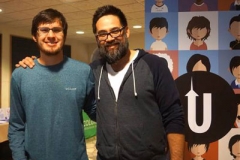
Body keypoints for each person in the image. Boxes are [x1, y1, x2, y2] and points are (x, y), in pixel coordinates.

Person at [16, 5, 185, 160]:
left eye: (115, 31)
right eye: (102, 34)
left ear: (126, 32)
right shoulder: (92, 71)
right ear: (97, 39)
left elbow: (174, 118)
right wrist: (34, 64)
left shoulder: (154, 65)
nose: (109, 38)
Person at [9, 8, 96, 160]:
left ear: (64, 35)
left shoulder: (83, 71)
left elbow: (99, 113)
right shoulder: (20, 75)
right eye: (44, 30)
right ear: (35, 36)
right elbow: (16, 125)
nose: (51, 35)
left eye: (57, 30)